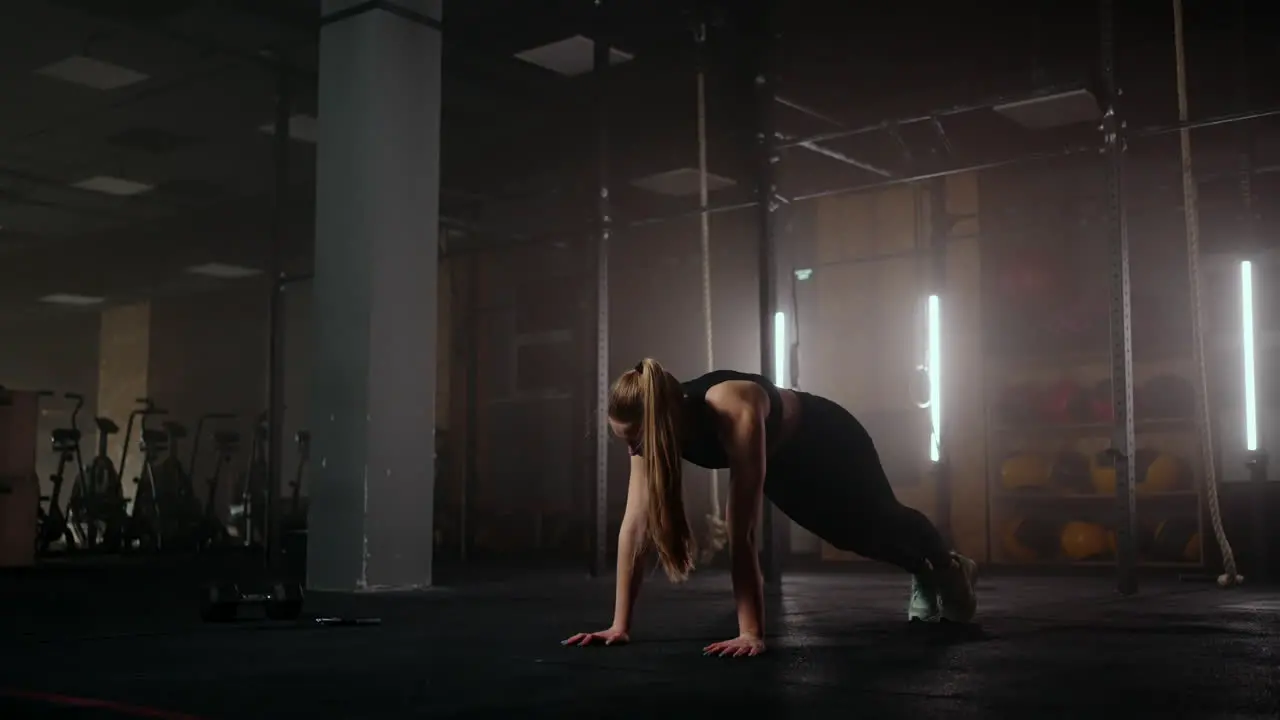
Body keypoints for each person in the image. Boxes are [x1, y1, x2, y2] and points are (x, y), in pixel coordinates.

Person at [562, 358, 978, 658]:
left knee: (883, 517)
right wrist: (620, 626)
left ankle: (948, 568)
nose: (633, 450)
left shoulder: (733, 407)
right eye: (625, 441)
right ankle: (921, 572)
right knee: (850, 537)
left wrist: (750, 633)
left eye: (635, 439)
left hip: (827, 439)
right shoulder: (651, 429)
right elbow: (635, 526)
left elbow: (741, 532)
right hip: (781, 462)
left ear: (662, 424)